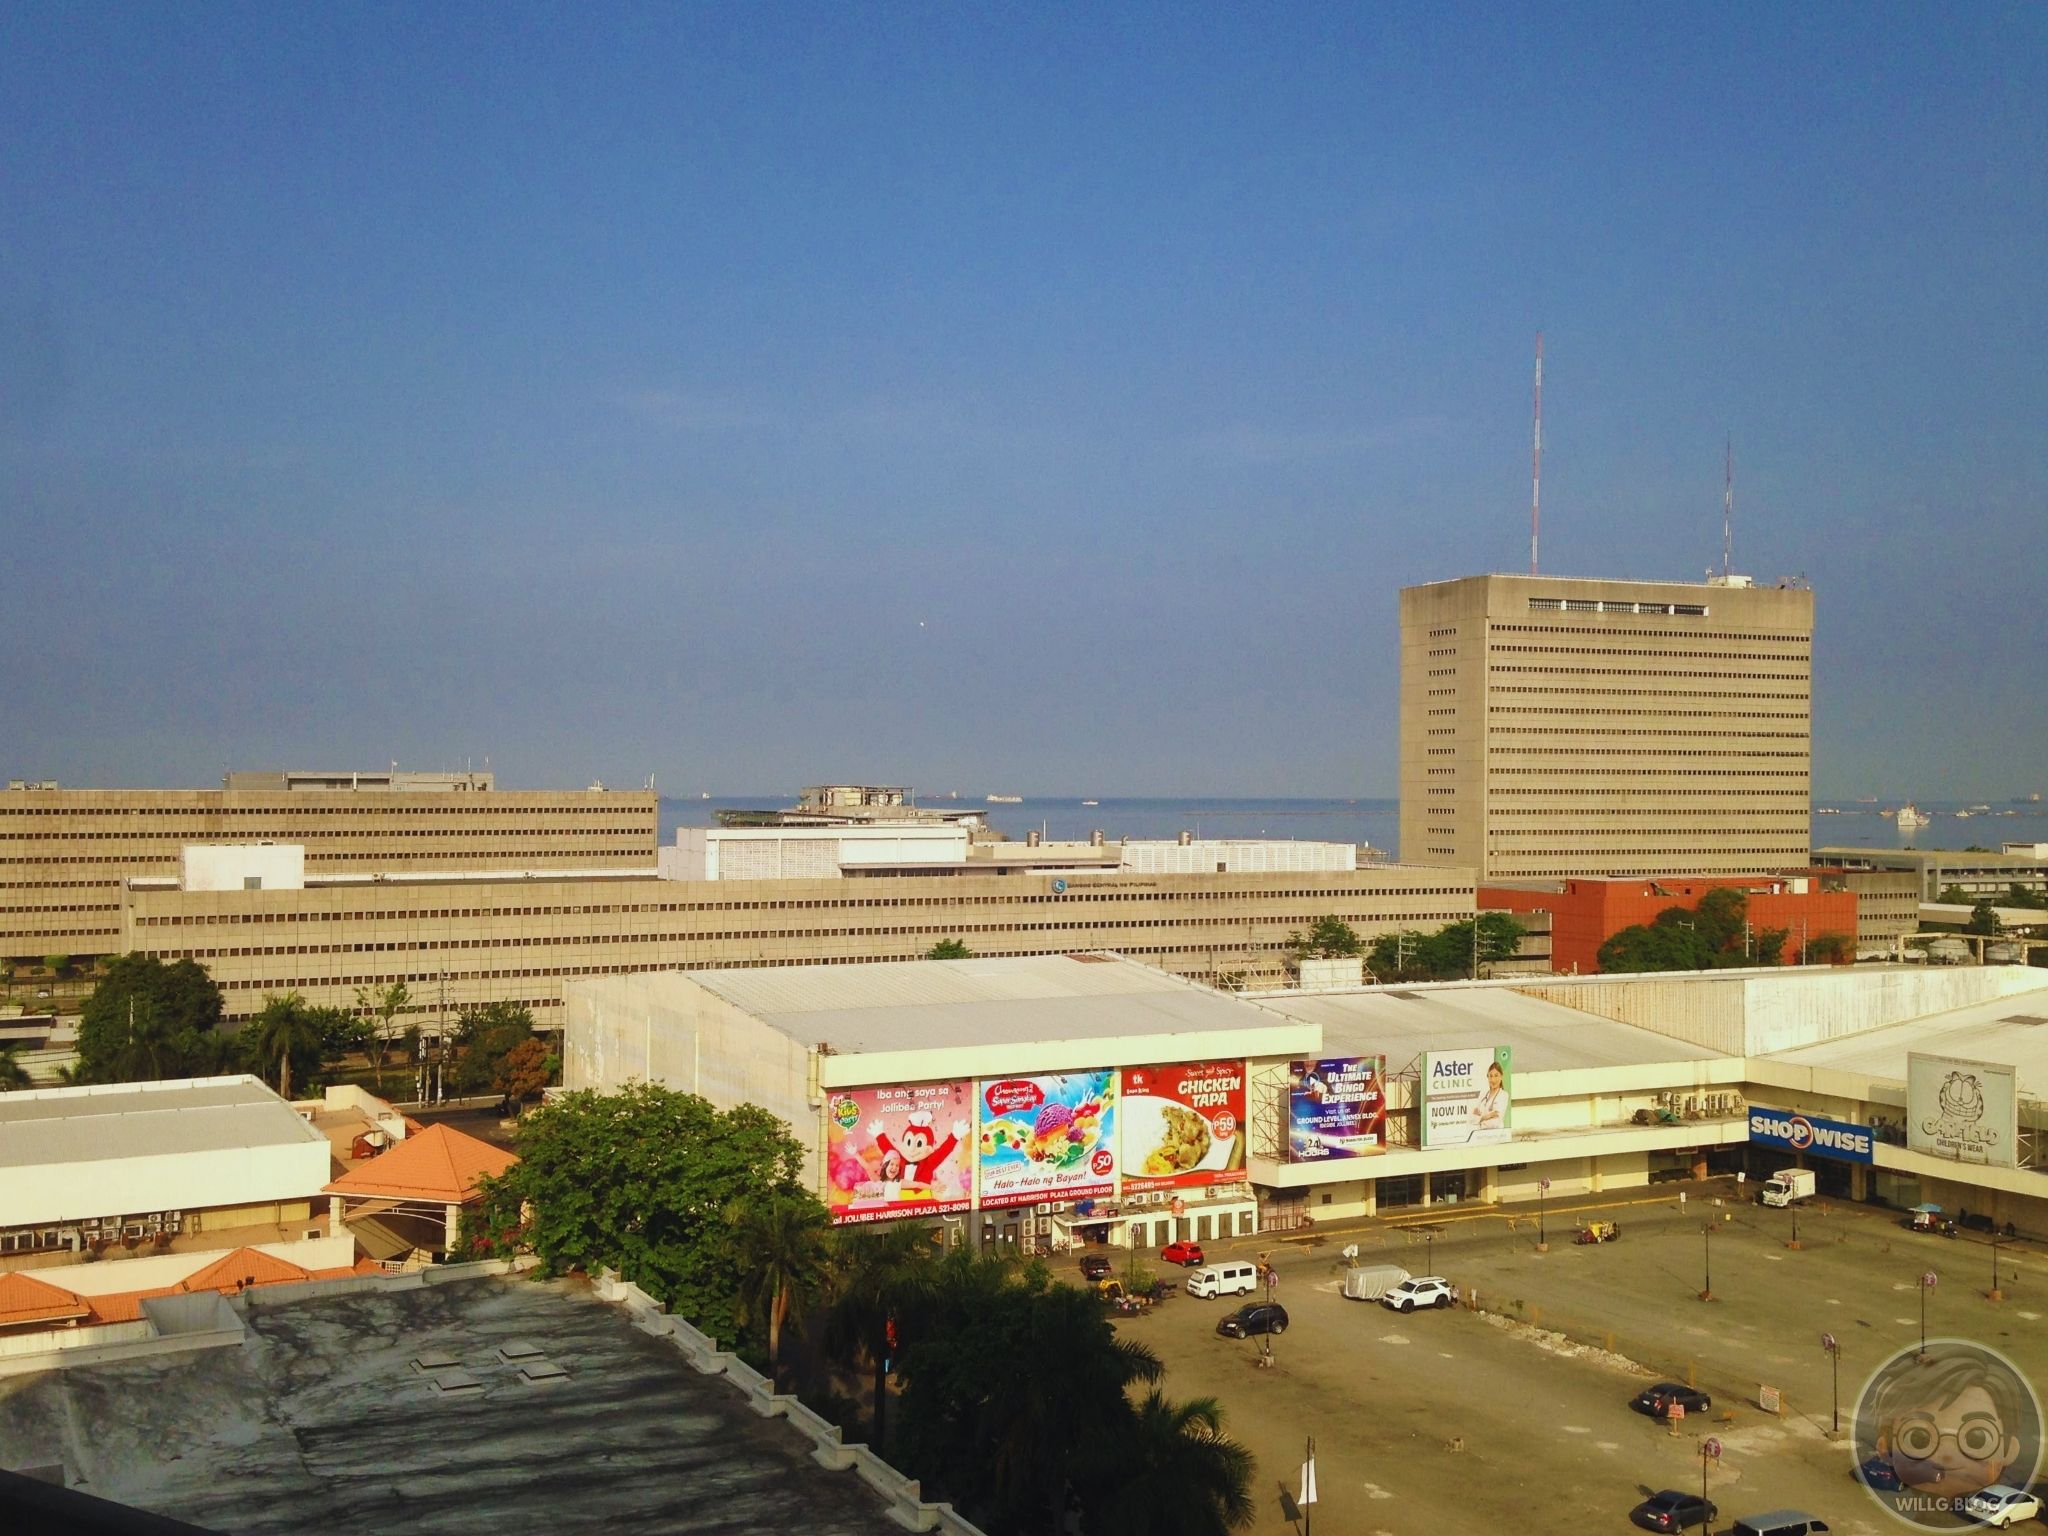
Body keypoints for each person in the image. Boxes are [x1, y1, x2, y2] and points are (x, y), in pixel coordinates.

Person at [1470, 1059, 1507, 1138]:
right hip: (1481, 1137)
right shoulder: (1483, 1095)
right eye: (1490, 1076)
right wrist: (1486, 1117)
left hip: (1495, 1136)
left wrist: (1479, 1119)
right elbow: (1471, 1118)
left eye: (1496, 1075)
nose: (1493, 1080)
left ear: (1501, 1076)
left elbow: (1495, 1123)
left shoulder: (1503, 1095)